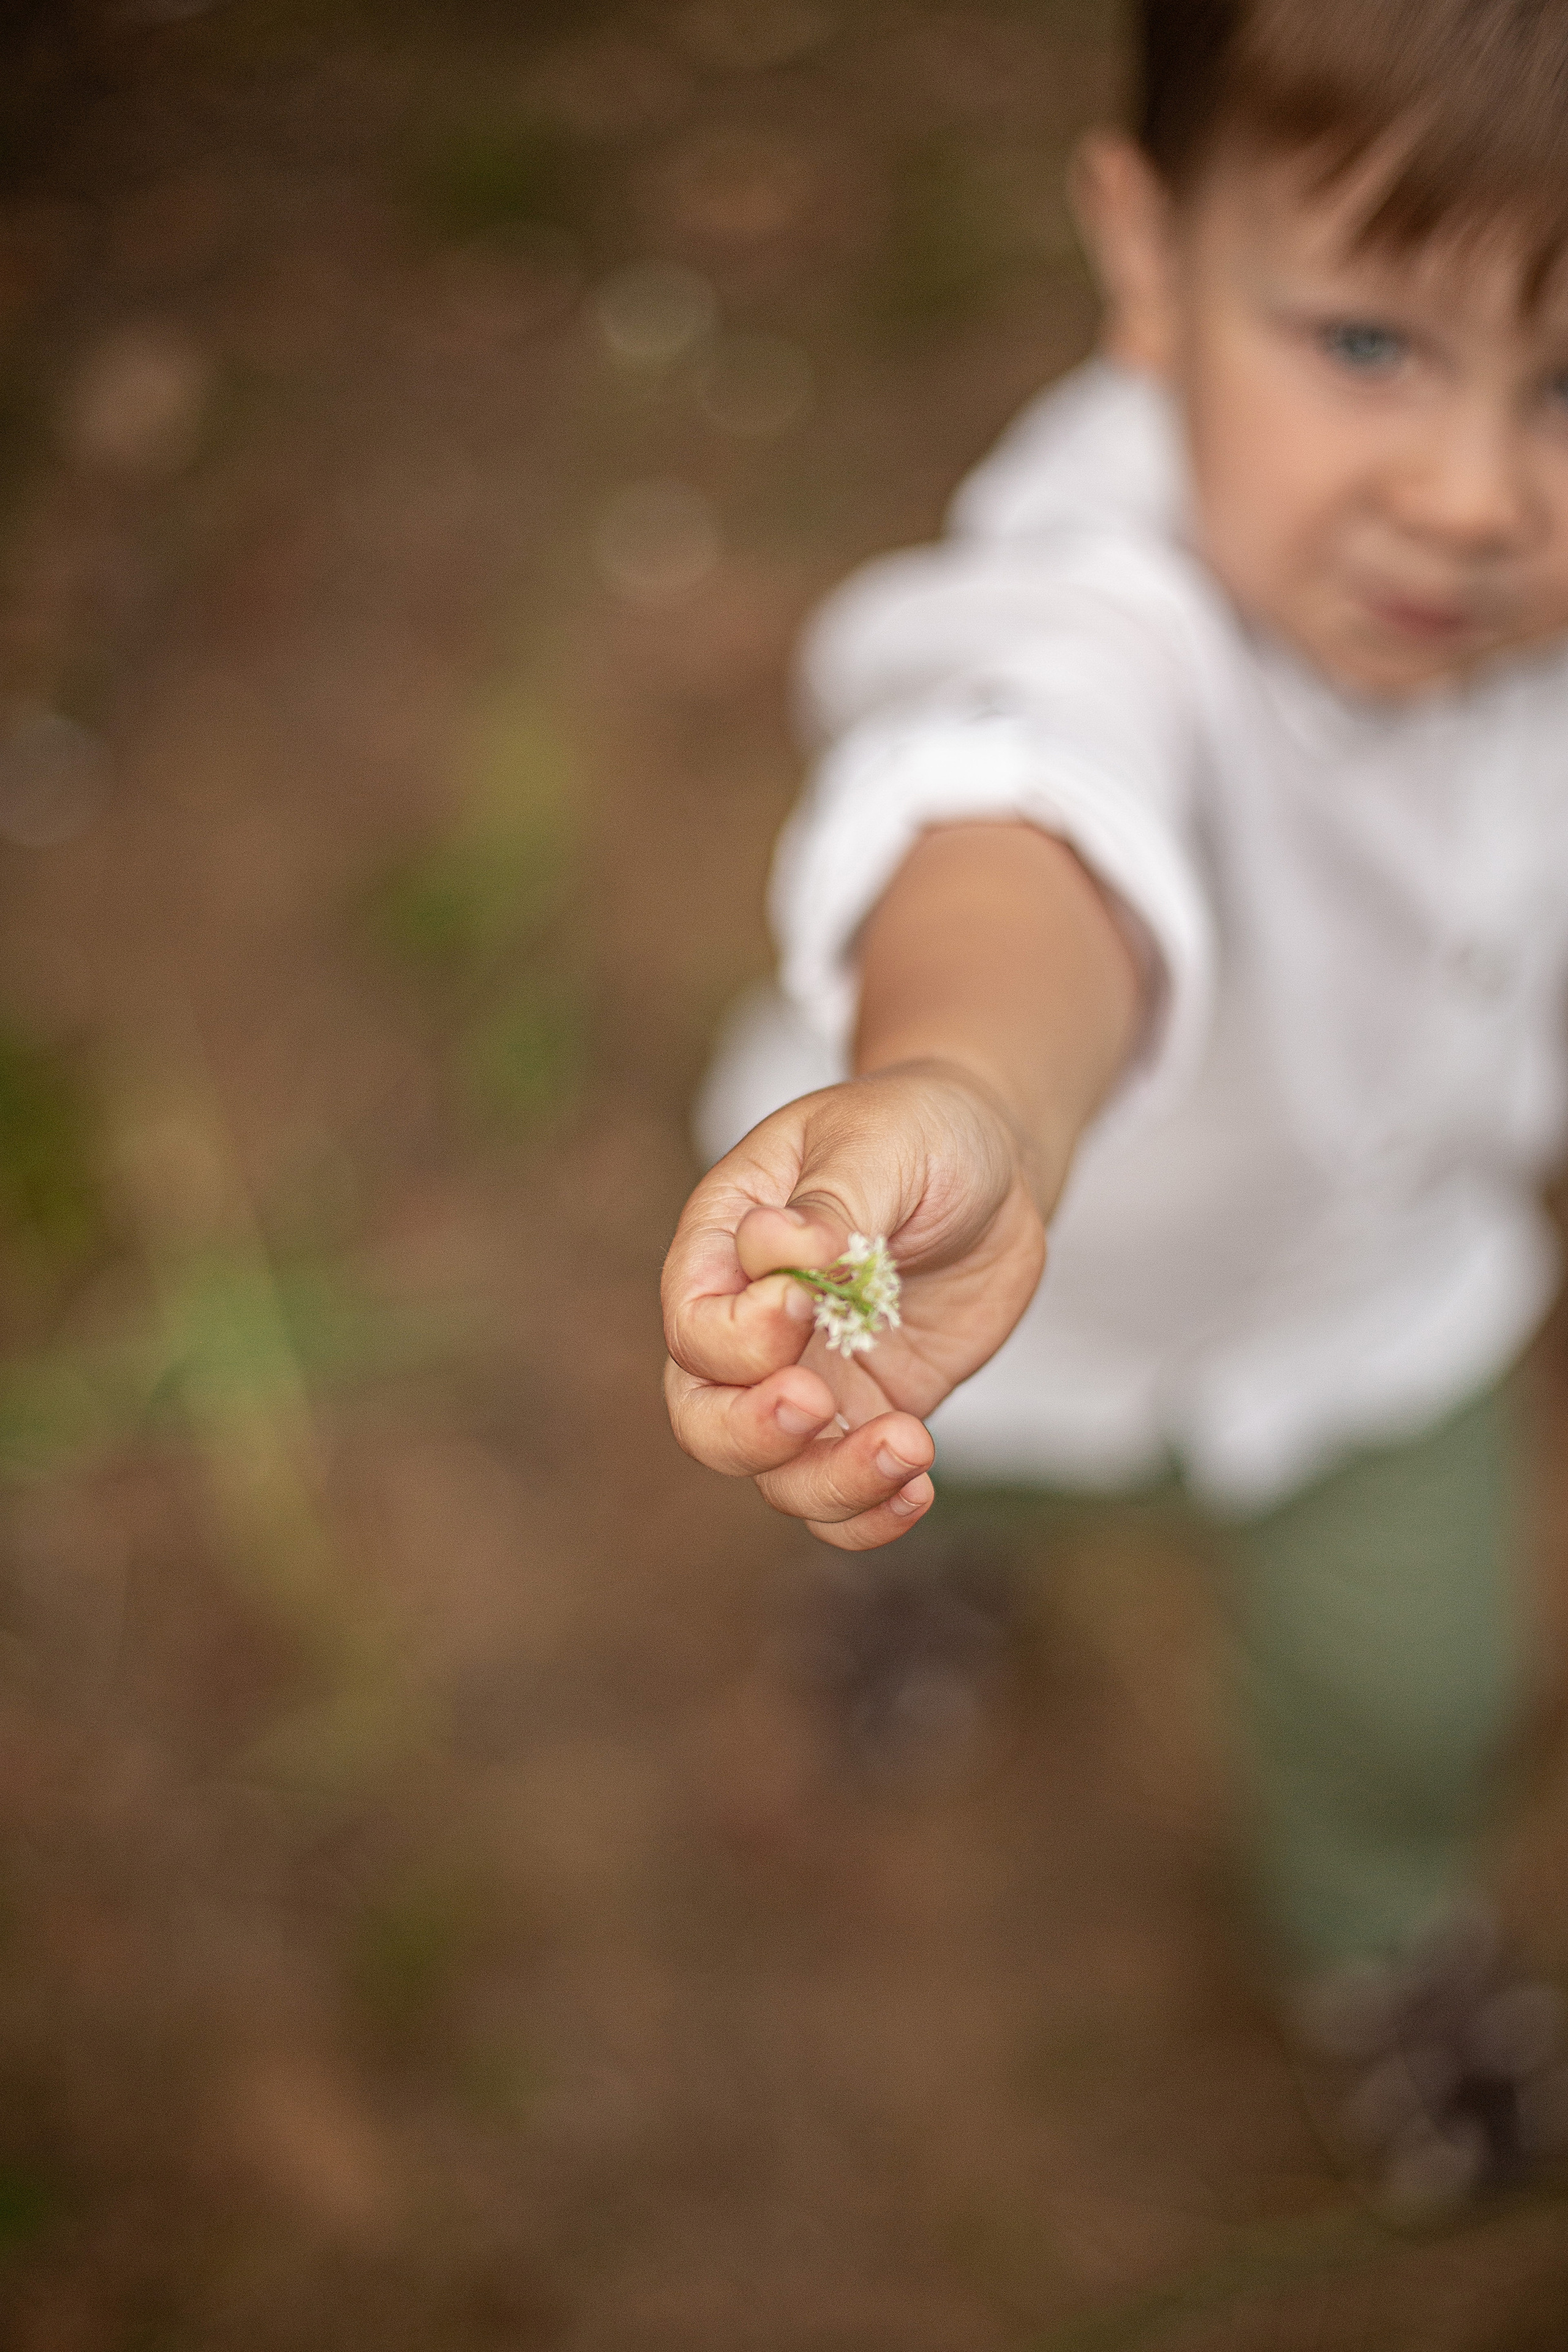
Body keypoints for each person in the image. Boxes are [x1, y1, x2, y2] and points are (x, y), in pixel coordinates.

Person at [660, 0, 1568, 2217]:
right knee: (908, 1475)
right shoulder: (1101, 584)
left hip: (1383, 1327)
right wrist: (969, 1080)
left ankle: (1378, 1934)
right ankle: (923, 1580)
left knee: (1418, 1687)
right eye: (1370, 344)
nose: (1474, 491)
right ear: (1148, 260)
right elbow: (1022, 817)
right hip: (1002, 1325)